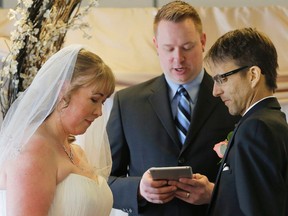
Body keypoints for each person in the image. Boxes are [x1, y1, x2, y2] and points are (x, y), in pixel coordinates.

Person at [106, 1, 239, 215]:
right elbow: (105, 181)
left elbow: (256, 180)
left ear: (203, 41)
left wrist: (215, 192)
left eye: (187, 47)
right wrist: (138, 189)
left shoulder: (234, 98)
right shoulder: (127, 103)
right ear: (156, 45)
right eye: (169, 48)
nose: (178, 58)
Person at [177, 27, 288, 215]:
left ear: (252, 75)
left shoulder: (256, 128)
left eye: (222, 79)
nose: (215, 91)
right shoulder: (273, 121)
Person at [0, 44, 115, 215]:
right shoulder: (34, 149)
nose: (99, 112)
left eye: (103, 103)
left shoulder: (76, 152)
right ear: (64, 90)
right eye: (94, 99)